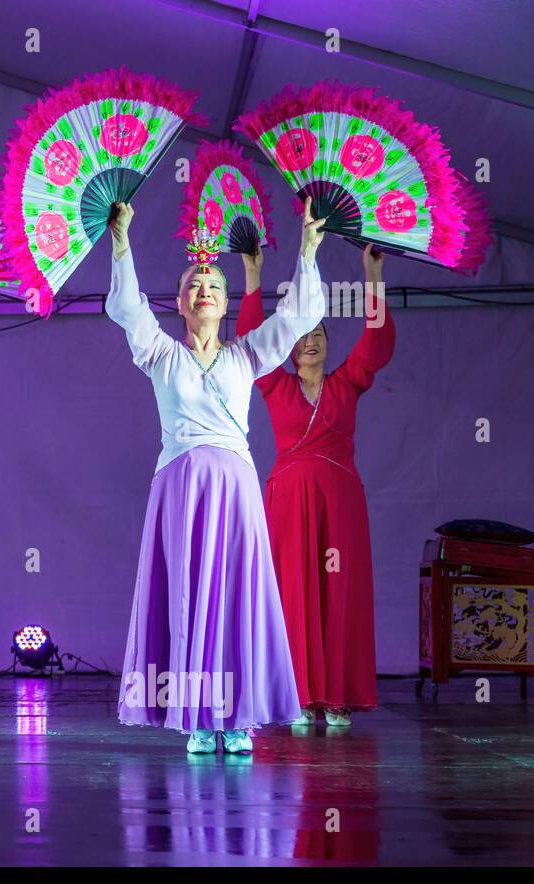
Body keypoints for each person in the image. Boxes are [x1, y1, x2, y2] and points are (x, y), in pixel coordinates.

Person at [106, 198, 328, 754]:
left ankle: (239, 716)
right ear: (180, 303)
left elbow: (298, 317)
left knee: (236, 597)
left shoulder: (247, 354)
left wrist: (305, 250)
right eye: (192, 283)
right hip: (181, 488)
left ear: (226, 302)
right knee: (187, 595)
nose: (203, 288)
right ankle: (197, 716)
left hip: (235, 488)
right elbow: (128, 309)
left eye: (212, 283)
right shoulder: (159, 352)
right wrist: (122, 242)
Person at [236, 242, 395, 726]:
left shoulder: (347, 383)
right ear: (289, 346)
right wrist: (252, 277)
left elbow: (377, 344)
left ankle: (338, 696)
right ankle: (299, 696)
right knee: (292, 593)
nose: (310, 341)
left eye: (319, 334)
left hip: (340, 503)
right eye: (302, 335)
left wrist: (372, 277)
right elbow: (248, 336)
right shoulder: (275, 384)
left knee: (337, 592)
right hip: (288, 503)